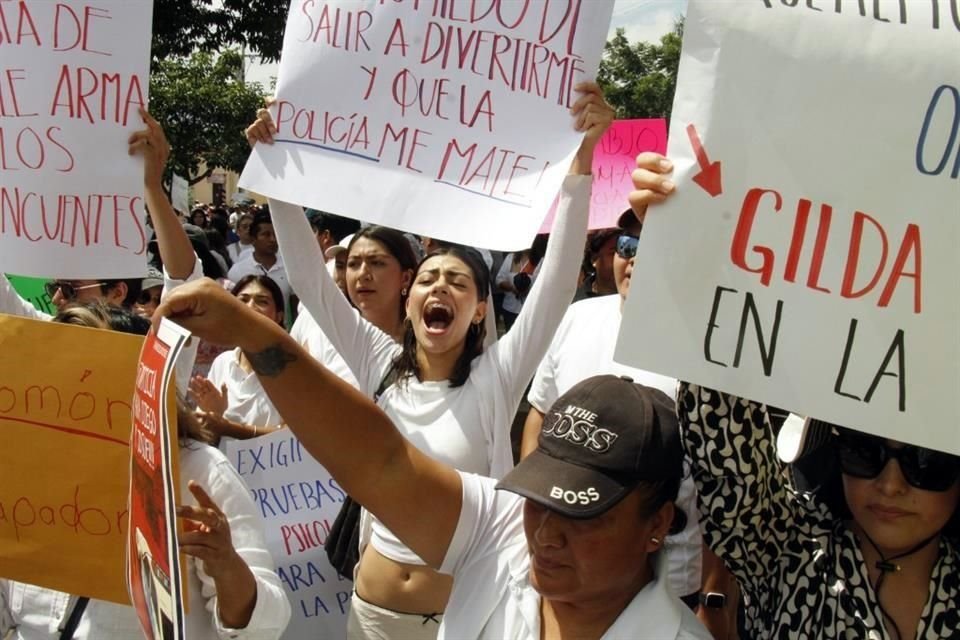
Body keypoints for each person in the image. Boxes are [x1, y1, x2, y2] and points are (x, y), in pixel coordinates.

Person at [244, 81, 612, 638]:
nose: (441, 287)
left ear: (480, 308)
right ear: (411, 298)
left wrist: (581, 162)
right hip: (373, 616)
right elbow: (310, 282)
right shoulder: (376, 359)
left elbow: (558, 282)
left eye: (459, 282)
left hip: (464, 617)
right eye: (430, 278)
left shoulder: (498, 376)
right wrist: (274, 171)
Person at [151, 276, 712, 639]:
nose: (544, 536)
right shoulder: (501, 528)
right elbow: (380, 462)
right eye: (542, 501)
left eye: (586, 512)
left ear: (658, 524)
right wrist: (251, 333)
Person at [629, 153, 960, 639]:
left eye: (926, 462)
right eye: (863, 453)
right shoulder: (783, 550)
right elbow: (725, 441)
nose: (891, 485)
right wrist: (694, 259)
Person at [0, 305, 291, 639]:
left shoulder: (201, 473)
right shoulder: (23, 472)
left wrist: (226, 566)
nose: (78, 387)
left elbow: (266, 626)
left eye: (96, 370)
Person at [519, 201, 705, 615]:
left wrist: (715, 595)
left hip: (670, 580)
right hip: (565, 563)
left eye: (656, 245)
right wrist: (541, 508)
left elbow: (725, 494)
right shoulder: (577, 319)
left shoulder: (705, 350)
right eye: (627, 245)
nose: (636, 258)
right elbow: (540, 416)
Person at [190, 275, 287, 442]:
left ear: (279, 316)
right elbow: (209, 438)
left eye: (262, 301)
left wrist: (229, 428)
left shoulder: (291, 368)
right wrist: (213, 415)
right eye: (243, 300)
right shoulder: (223, 362)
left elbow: (294, 436)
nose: (250, 307)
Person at [227, 209, 292, 310]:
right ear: (253, 239)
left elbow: (295, 306)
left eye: (275, 235)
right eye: (266, 235)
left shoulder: (290, 269)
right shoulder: (237, 271)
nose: (272, 239)